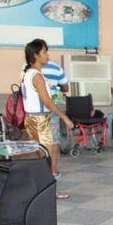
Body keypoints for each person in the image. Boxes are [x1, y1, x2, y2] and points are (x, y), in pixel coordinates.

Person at [21, 38, 74, 198]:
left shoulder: (28, 73)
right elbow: (47, 101)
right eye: (44, 52)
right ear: (35, 55)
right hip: (40, 120)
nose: (47, 55)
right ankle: (48, 192)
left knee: (42, 156)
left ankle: (42, 190)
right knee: (46, 157)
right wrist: (64, 117)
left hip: (33, 119)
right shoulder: (36, 75)